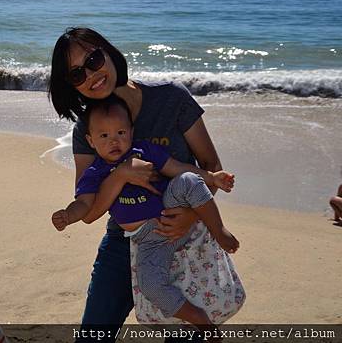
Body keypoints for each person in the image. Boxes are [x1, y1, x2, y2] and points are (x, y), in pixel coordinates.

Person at [47, 27, 244, 340]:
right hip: (124, 239)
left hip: (185, 236)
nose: (91, 75)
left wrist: (191, 216)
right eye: (76, 74)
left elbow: (210, 167)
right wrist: (121, 174)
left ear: (109, 52)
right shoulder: (87, 129)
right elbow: (89, 206)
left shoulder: (171, 98)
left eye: (94, 59)